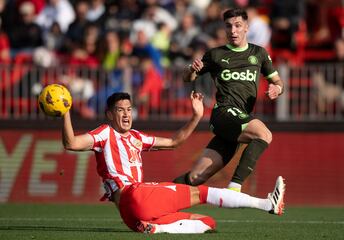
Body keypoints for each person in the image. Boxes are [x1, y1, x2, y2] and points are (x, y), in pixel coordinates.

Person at [61, 91, 286, 234]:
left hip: (133, 218)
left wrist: (196, 116)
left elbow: (175, 142)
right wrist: (65, 112)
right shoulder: (104, 133)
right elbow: (71, 143)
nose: (126, 114)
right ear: (109, 115)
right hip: (132, 194)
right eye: (120, 110)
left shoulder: (137, 138)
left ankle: (156, 228)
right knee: (201, 193)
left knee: (207, 223)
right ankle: (266, 204)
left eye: (129, 109)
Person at [173, 8, 284, 193]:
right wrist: (191, 69)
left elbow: (278, 81)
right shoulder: (215, 54)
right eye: (228, 26)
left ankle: (159, 195)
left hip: (240, 119)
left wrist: (277, 88)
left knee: (196, 177)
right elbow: (187, 78)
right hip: (224, 113)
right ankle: (234, 188)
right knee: (264, 134)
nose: (233, 30)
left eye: (238, 25)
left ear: (246, 27)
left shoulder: (259, 54)